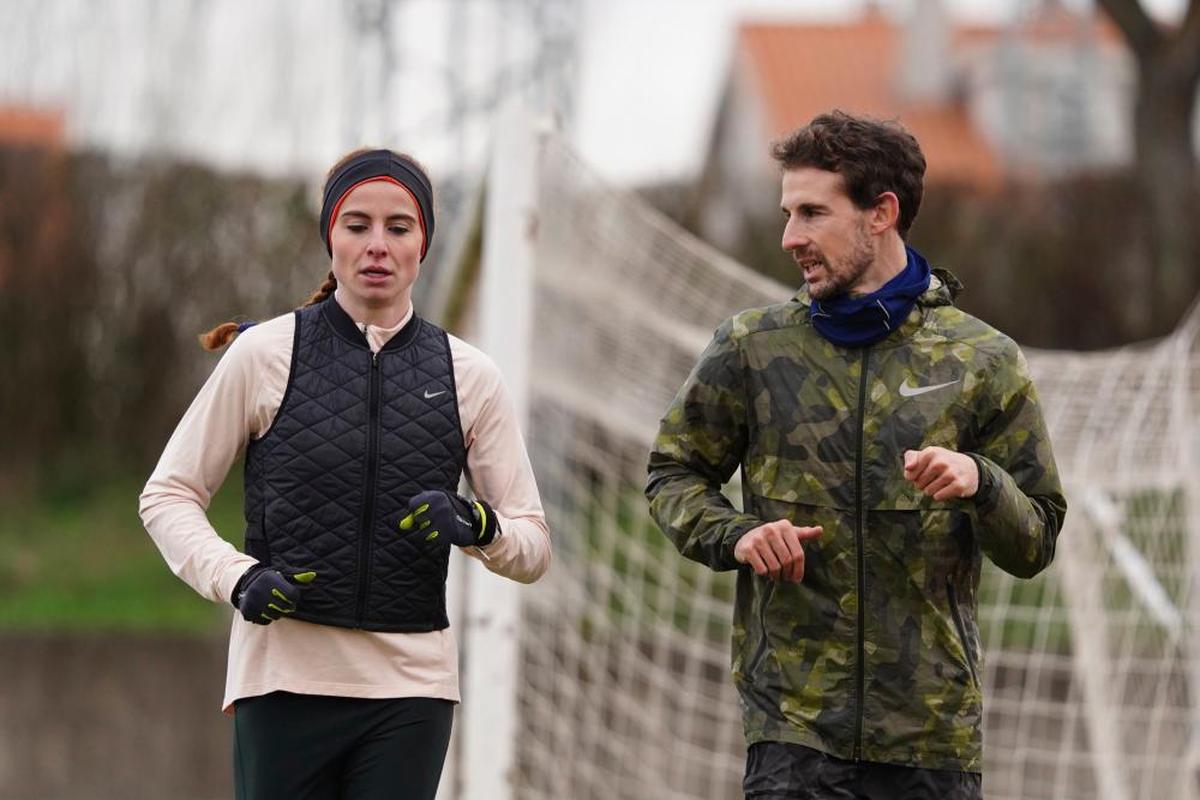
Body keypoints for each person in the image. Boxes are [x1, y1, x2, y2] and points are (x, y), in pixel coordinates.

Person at [646, 111, 1066, 799]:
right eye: (787, 213)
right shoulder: (752, 347)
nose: (790, 238)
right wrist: (740, 533)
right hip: (794, 734)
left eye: (812, 212)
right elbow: (671, 475)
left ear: (882, 213)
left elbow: (1036, 541)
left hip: (932, 740)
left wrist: (980, 483)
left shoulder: (984, 361)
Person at [139, 148, 551, 800]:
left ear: (424, 242)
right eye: (357, 225)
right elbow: (168, 495)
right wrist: (236, 576)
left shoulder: (470, 375)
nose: (377, 245)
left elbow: (533, 546)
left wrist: (479, 526)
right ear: (330, 236)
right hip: (281, 683)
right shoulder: (264, 353)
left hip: (411, 692)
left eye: (399, 227)